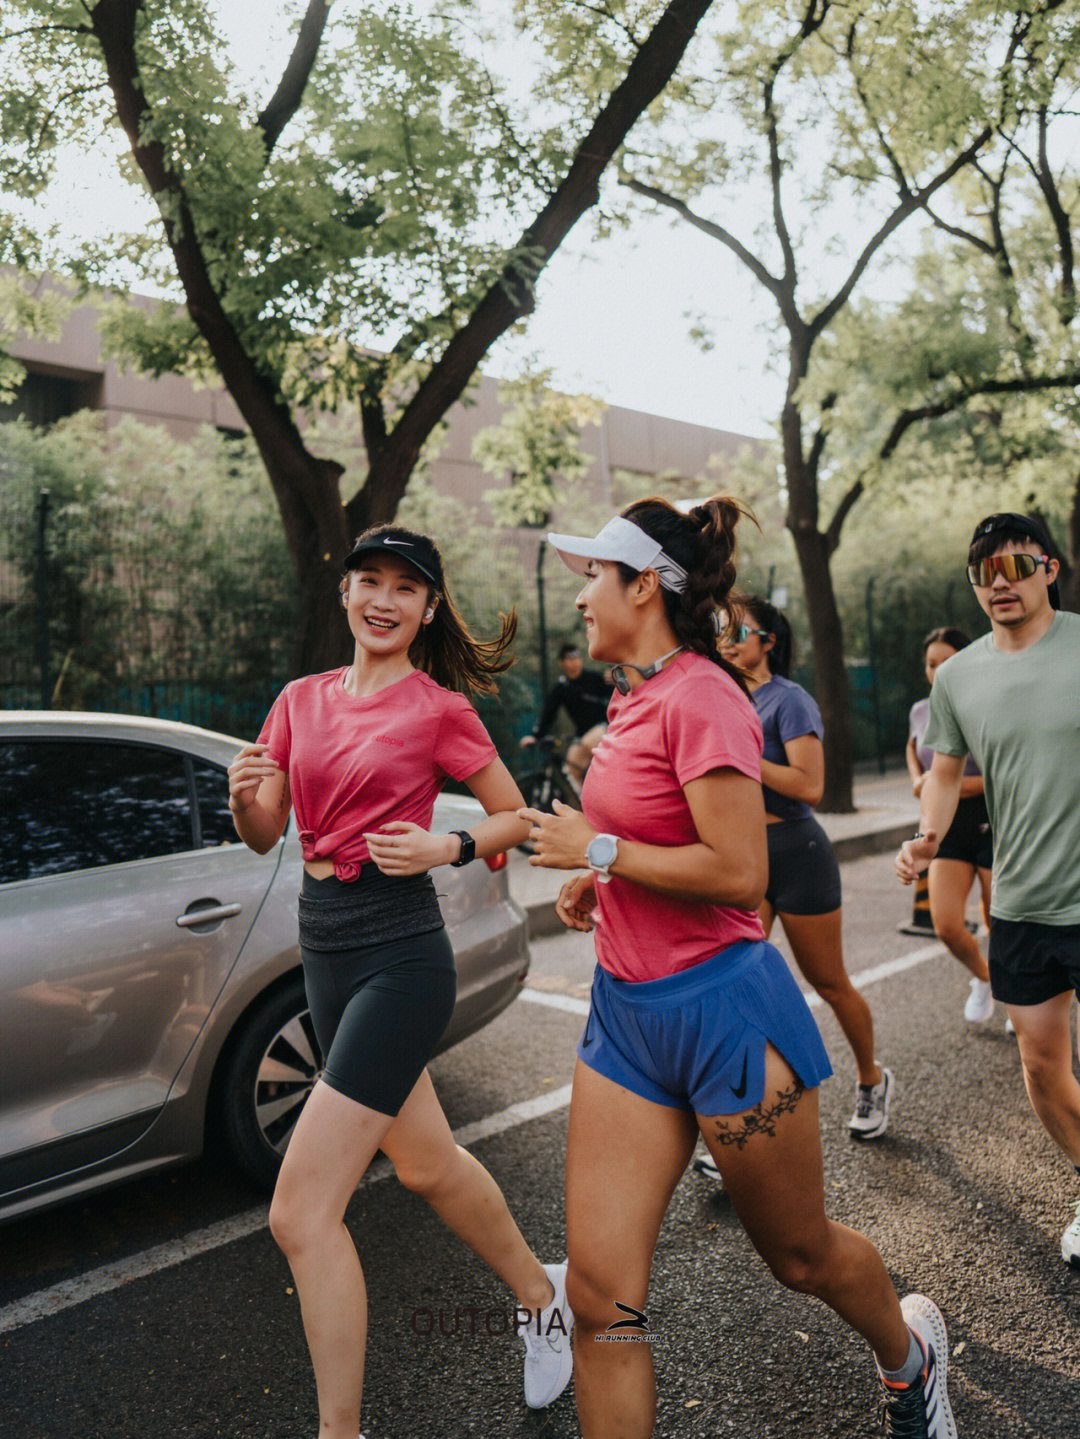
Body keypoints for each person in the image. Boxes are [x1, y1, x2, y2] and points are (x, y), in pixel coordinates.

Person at [522, 496, 954, 1439]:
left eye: (595, 575)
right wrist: (607, 884)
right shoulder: (634, 694)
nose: (582, 594)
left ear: (645, 585)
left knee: (798, 1257)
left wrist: (599, 852)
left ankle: (910, 1356)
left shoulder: (706, 693)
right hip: (625, 1019)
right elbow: (652, 840)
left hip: (724, 1014)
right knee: (599, 1296)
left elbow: (739, 871)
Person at [227, 525, 573, 1439]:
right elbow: (267, 832)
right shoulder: (298, 701)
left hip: (403, 955)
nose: (384, 599)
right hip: (325, 950)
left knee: (301, 1215)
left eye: (405, 588)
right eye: (368, 580)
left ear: (427, 609)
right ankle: (545, 1294)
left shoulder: (437, 707)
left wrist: (444, 845)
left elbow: (515, 819)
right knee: (422, 1162)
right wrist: (242, 798)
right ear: (345, 593)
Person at [896, 511, 1080, 1271]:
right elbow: (943, 773)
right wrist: (928, 834)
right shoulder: (961, 675)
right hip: (1024, 902)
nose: (997, 585)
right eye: (982, 573)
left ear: (1050, 568)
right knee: (1040, 1064)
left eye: (1014, 567)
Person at [721, 595, 892, 1140]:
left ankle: (871, 1078)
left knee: (829, 982)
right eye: (720, 629)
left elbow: (810, 786)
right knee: (738, 982)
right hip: (745, 853)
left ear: (768, 642)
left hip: (797, 851)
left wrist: (746, 758)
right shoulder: (718, 696)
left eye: (739, 631)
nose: (726, 639)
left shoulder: (788, 700)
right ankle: (745, 1117)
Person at [906, 626, 995, 1024]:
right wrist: (917, 780)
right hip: (947, 825)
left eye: (947, 661)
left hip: (993, 818)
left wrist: (944, 784)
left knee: (1000, 922)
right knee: (946, 926)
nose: (938, 670)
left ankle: (1022, 1000)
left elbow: (997, 775)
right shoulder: (921, 710)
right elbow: (915, 749)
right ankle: (987, 979)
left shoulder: (987, 704)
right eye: (931, 663)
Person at [520, 641, 611, 790]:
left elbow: (619, 691)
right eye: (570, 658)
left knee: (589, 744)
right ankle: (584, 807)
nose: (575, 662)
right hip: (582, 734)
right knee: (570, 770)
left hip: (604, 728)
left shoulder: (594, 678)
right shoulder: (562, 687)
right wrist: (535, 736)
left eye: (577, 657)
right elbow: (548, 712)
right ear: (562, 663)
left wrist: (616, 679)